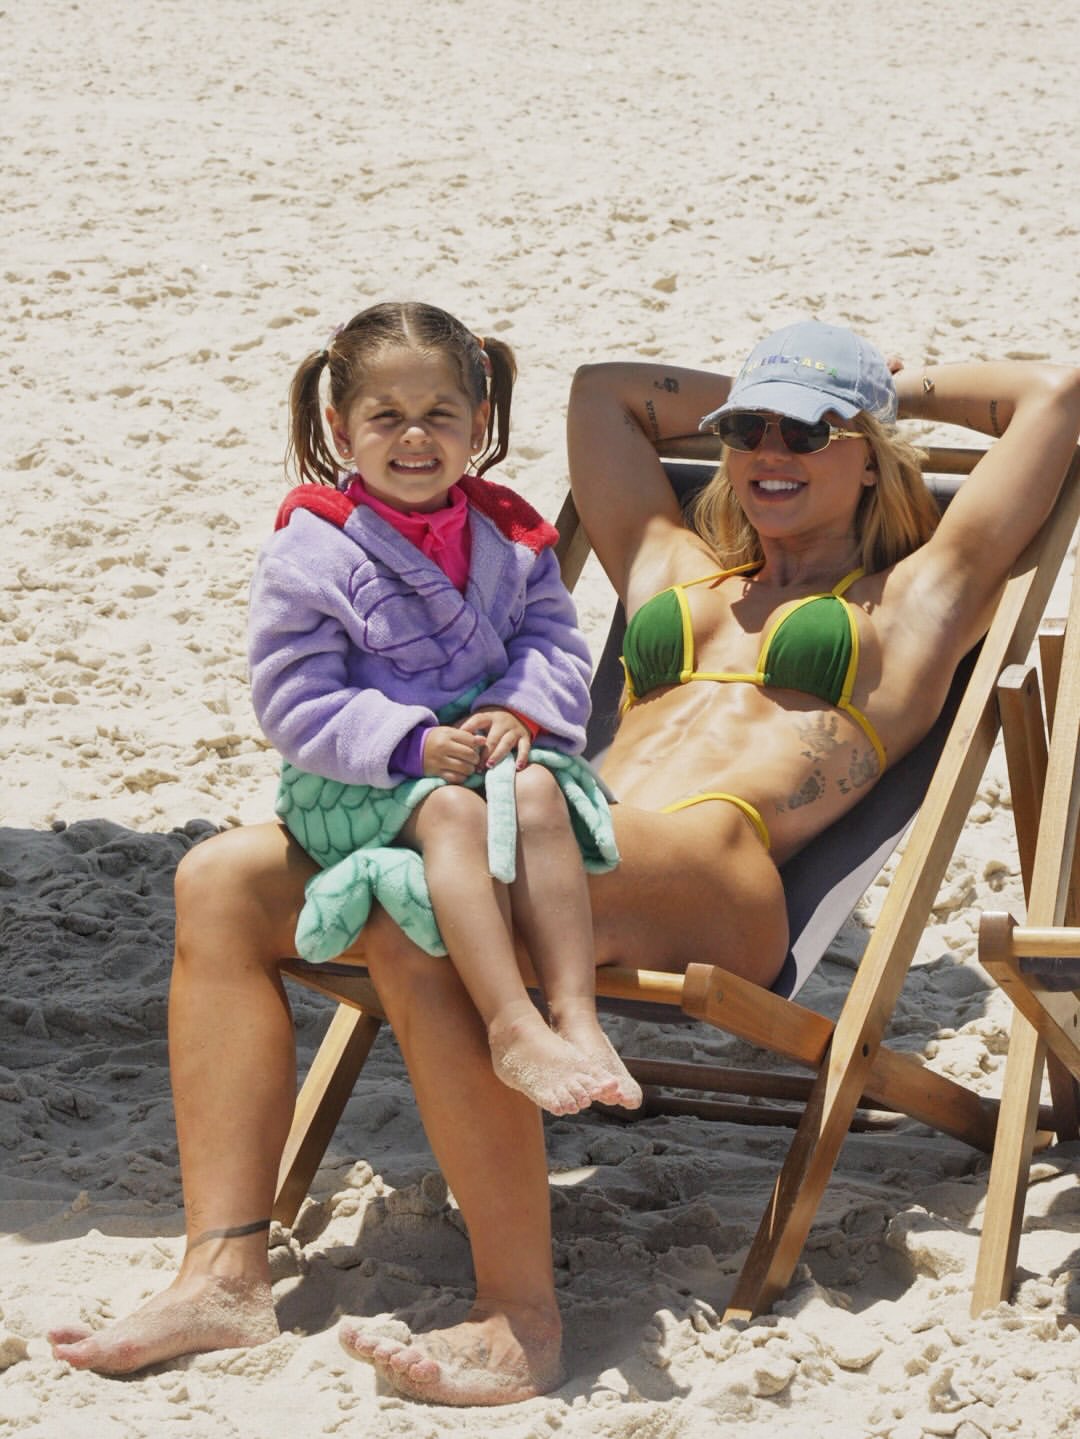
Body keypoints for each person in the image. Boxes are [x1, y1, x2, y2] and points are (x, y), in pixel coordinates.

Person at [48, 320, 1080, 1407]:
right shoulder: (676, 563)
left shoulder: (921, 596)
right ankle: (222, 1275)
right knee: (219, 879)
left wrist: (883, 389)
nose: (770, 450)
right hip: (555, 838)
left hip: (717, 869)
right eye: (748, 428)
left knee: (423, 902)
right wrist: (767, 387)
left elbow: (1055, 395)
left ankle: (519, 1318)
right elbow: (604, 394)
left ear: (869, 452)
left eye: (809, 432)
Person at [245, 300, 639, 1118]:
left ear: (479, 421)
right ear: (341, 429)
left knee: (540, 792)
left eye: (439, 414)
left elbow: (554, 642)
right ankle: (510, 1023)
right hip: (355, 778)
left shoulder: (509, 536)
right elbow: (292, 695)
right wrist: (407, 742)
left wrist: (519, 709)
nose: (415, 436)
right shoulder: (314, 549)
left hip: (480, 757)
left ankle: (576, 1014)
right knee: (455, 816)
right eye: (386, 416)